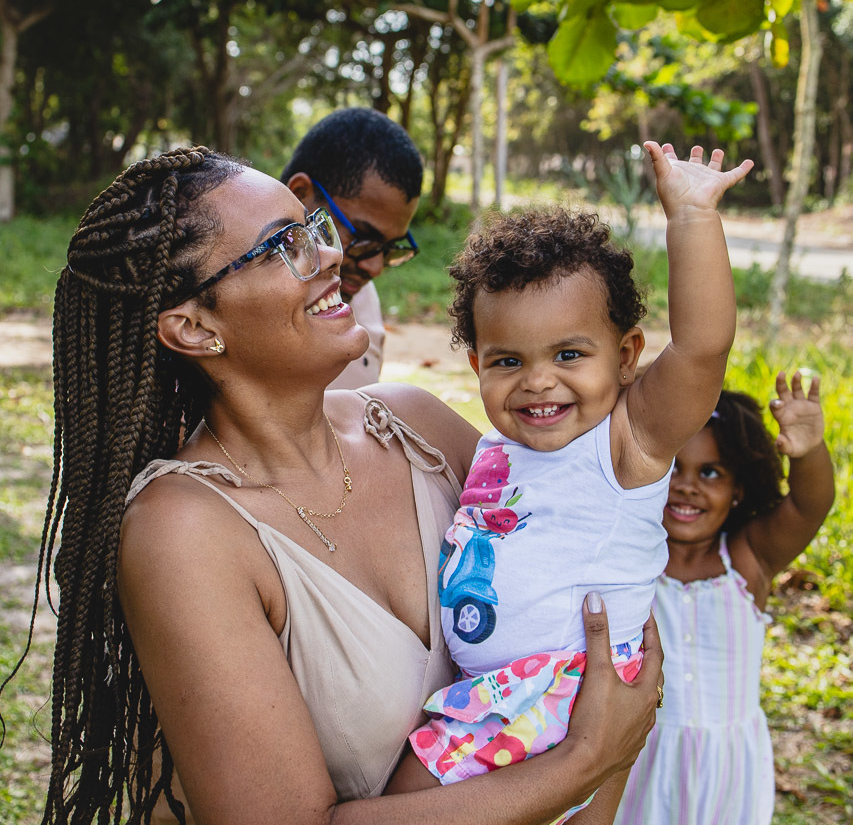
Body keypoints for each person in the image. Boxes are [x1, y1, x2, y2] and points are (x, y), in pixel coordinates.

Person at [13, 146, 663, 825]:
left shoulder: (417, 427)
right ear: (194, 327)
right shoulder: (183, 531)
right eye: (281, 246)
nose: (330, 256)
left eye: (313, 228)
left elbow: (611, 612)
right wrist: (585, 761)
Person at [388, 141, 752, 822]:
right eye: (506, 360)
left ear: (626, 356)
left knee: (403, 805)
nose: (537, 380)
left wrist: (693, 217)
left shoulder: (624, 443)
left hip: (559, 695)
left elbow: (703, 348)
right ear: (475, 363)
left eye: (568, 353)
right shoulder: (499, 445)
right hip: (496, 691)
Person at [613, 375, 834, 825]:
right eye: (672, 466)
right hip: (640, 753)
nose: (687, 486)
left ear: (739, 488)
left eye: (710, 472)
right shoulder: (627, 560)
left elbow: (810, 506)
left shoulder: (749, 559)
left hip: (730, 762)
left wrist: (809, 450)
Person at [281, 107, 422, 388]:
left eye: (390, 248)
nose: (375, 267)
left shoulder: (360, 295)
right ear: (299, 195)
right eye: (364, 239)